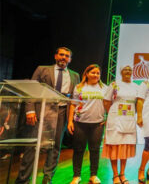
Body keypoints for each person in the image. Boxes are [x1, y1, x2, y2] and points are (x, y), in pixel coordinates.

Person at [16, 47, 80, 184]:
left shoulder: (75, 75)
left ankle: (47, 178)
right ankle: (23, 180)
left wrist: (72, 119)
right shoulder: (42, 69)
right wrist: (30, 110)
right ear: (56, 56)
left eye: (67, 56)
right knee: (33, 146)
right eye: (61, 55)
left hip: (62, 112)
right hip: (42, 111)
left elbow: (74, 98)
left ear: (70, 59)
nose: (64, 57)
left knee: (55, 146)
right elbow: (32, 90)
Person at [67, 64, 107, 184]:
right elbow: (73, 104)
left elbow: (108, 103)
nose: (96, 75)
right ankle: (76, 176)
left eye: (98, 73)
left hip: (97, 124)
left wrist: (107, 117)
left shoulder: (104, 88)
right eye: (93, 72)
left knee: (94, 150)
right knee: (78, 150)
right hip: (80, 123)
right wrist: (70, 121)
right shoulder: (79, 87)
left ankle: (93, 175)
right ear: (87, 74)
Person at [102, 65, 138, 184]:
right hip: (116, 119)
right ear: (121, 72)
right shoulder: (114, 85)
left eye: (130, 70)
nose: (128, 71)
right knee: (115, 145)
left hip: (129, 119)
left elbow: (138, 103)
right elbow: (106, 101)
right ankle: (115, 175)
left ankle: (123, 174)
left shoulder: (136, 87)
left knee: (125, 147)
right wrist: (111, 113)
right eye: (125, 69)